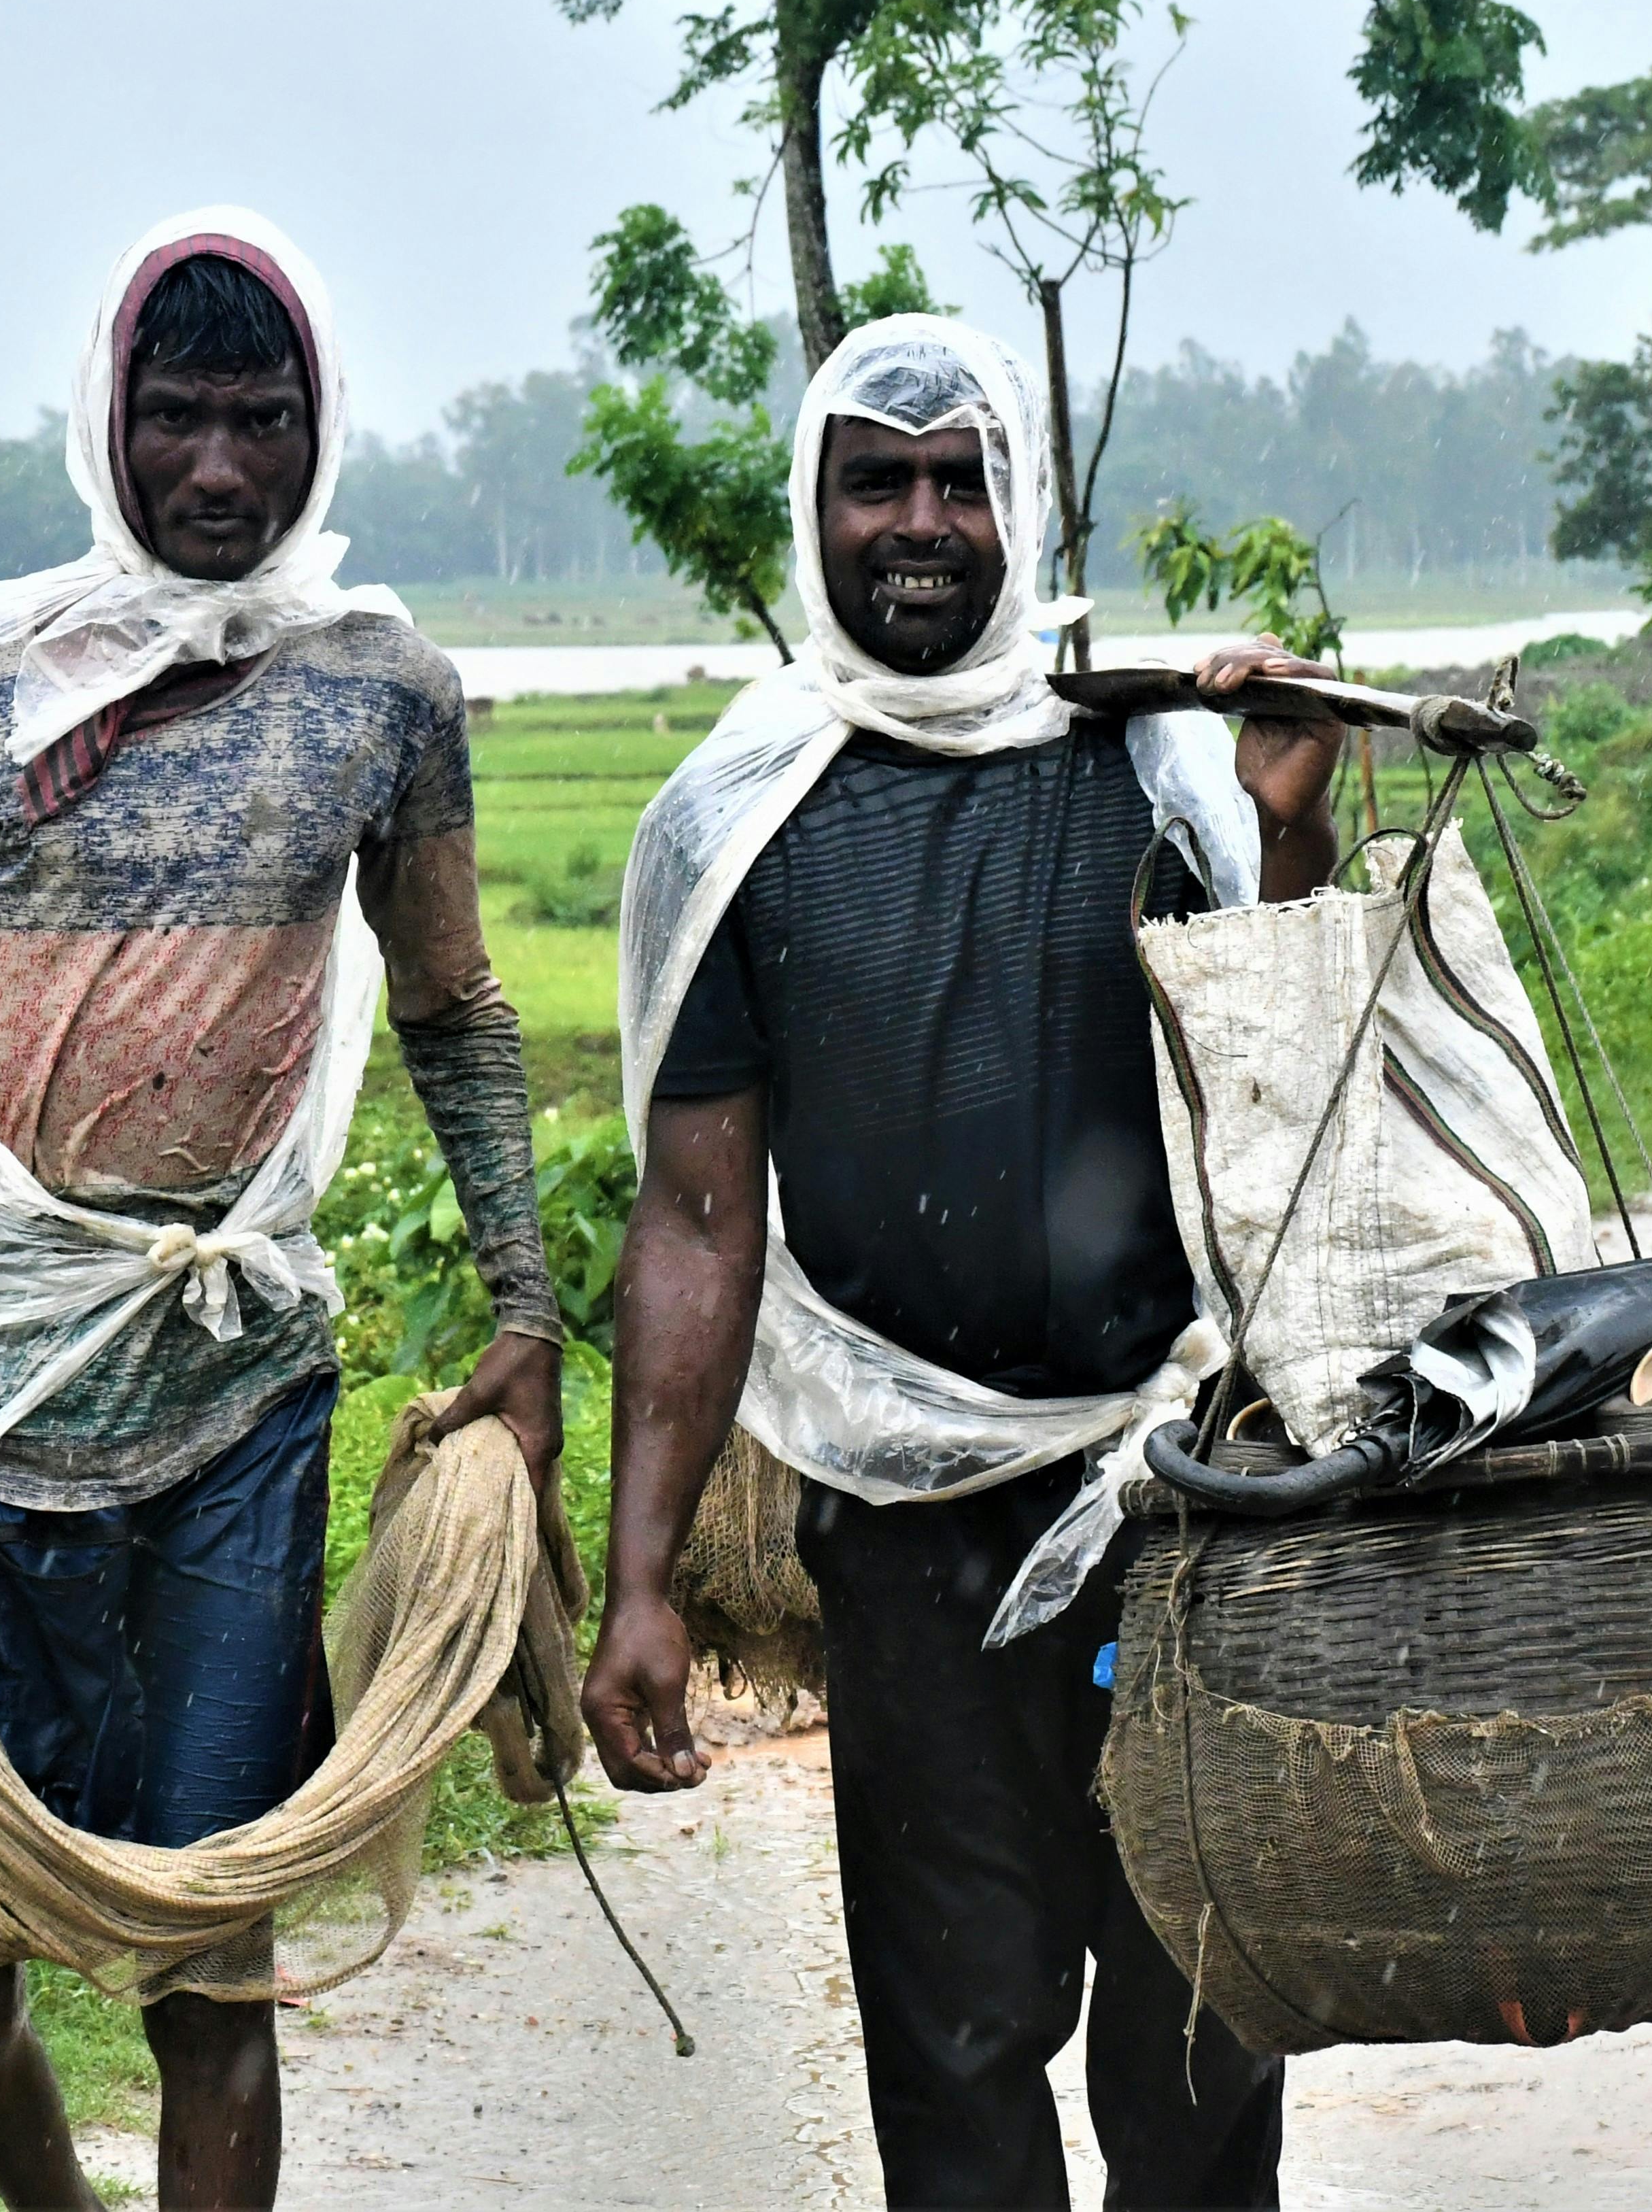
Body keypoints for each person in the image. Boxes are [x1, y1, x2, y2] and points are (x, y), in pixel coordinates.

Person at [0, 209, 564, 2212]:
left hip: (233, 1400)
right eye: (179, 421)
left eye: (263, 423)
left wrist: (531, 1309)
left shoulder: (381, 699)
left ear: (318, 433)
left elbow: (452, 1004)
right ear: (109, 422)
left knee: (210, 1962)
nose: (222, 472)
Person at [583, 312, 1345, 2210]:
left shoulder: (1150, 767)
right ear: (814, 511)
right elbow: (695, 1221)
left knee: (1199, 2056)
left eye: (956, 481)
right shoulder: (735, 822)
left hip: (1183, 1508)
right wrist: (643, 1577)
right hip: (908, 1543)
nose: (918, 523)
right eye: (875, 483)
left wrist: (1291, 823)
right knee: (957, 2061)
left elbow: (1287, 1073)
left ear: (1015, 503)